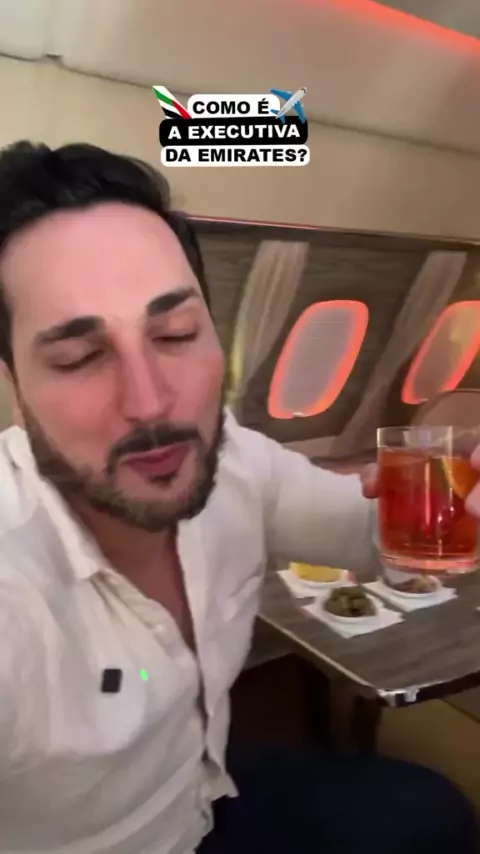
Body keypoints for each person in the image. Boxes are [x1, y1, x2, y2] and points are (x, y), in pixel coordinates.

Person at [0, 140, 475, 854]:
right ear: (13, 386)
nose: (151, 401)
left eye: (175, 333)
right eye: (81, 356)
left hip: (204, 793)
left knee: (434, 812)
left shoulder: (235, 460)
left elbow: (369, 531)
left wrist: (460, 499)